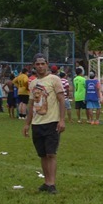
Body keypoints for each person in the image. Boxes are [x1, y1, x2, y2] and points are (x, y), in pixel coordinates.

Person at [23, 54, 67, 194]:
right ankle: (47, 182)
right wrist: (27, 124)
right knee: (42, 154)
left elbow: (61, 100)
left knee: (51, 154)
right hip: (37, 123)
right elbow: (31, 105)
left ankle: (52, 184)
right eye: (38, 64)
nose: (40, 66)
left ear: (47, 64)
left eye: (43, 63)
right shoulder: (33, 83)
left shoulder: (54, 79)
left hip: (52, 122)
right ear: (34, 66)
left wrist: (61, 120)